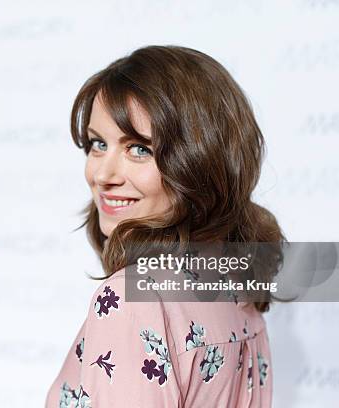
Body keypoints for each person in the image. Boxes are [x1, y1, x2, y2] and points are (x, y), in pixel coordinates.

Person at [45, 45, 285, 407]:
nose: (102, 174)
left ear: (199, 161)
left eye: (139, 149)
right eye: (98, 144)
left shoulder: (132, 298)